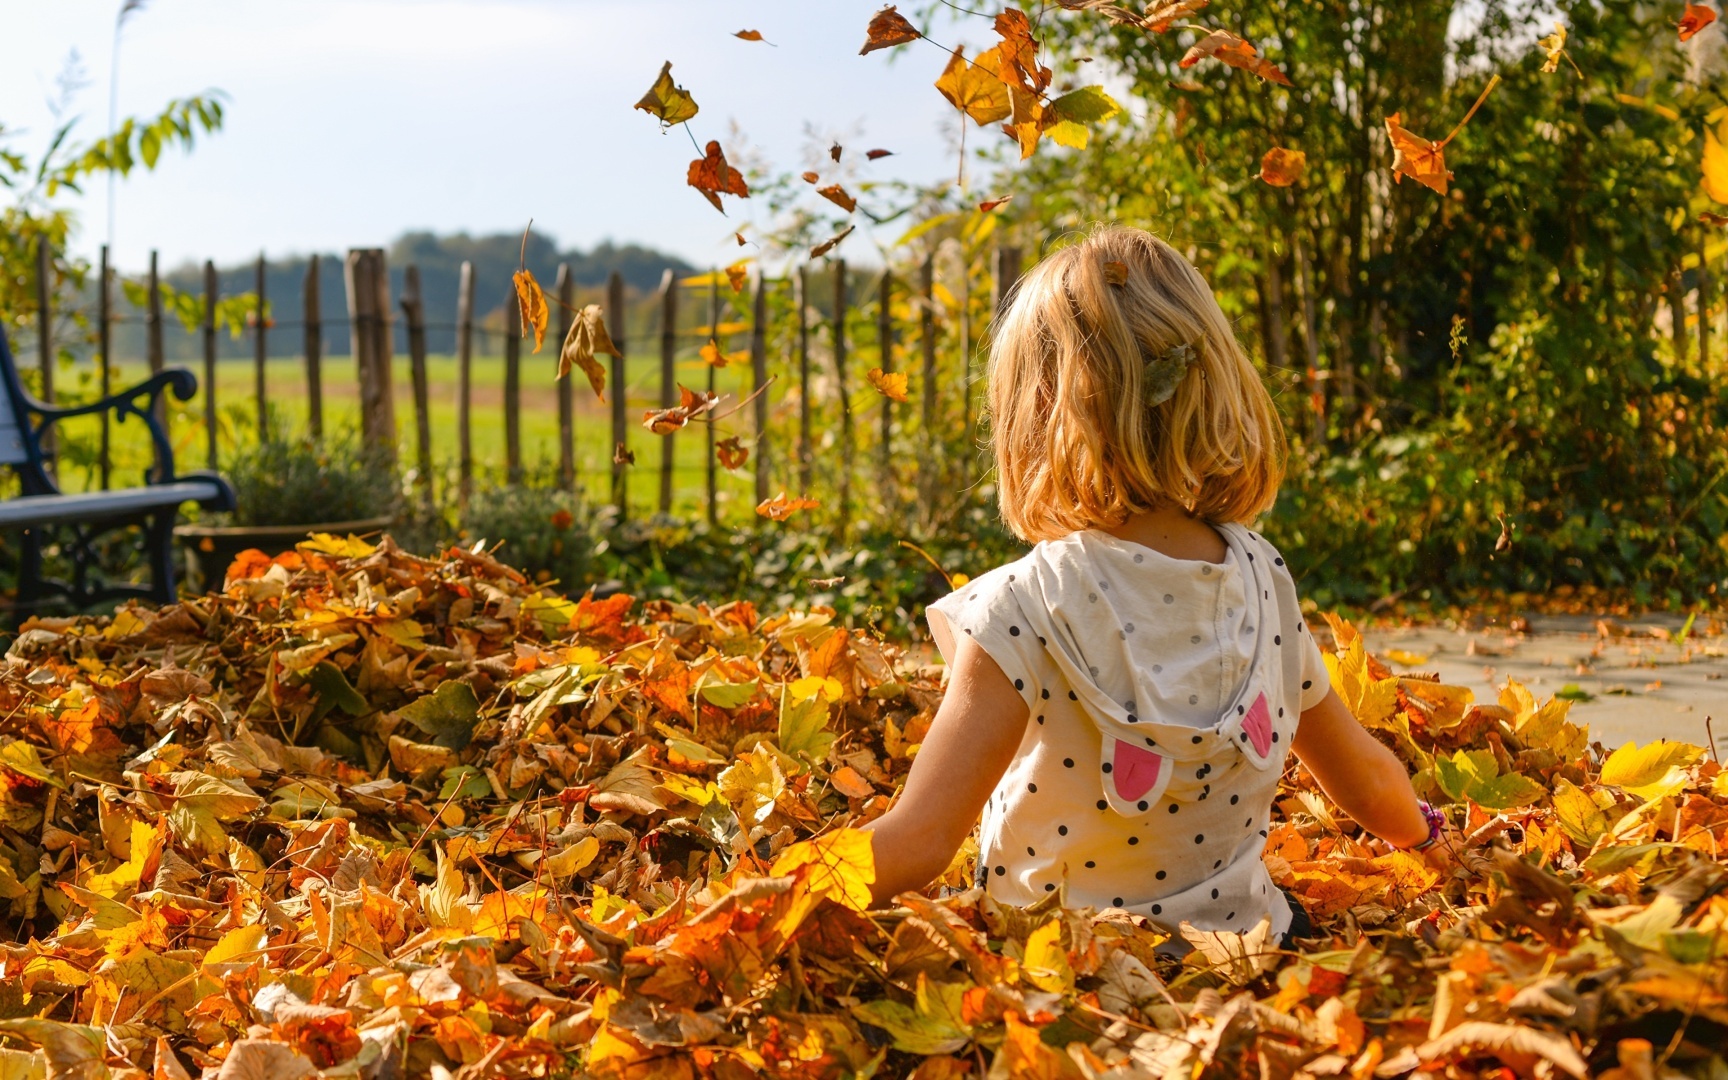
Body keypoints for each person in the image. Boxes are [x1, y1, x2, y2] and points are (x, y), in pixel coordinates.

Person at [863, 225, 1445, 947]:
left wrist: (764, 895)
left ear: (1039, 413)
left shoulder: (1023, 607)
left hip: (1068, 970)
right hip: (1248, 950)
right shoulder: (1263, 576)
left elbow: (920, 839)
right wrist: (1431, 837)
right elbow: (1364, 780)